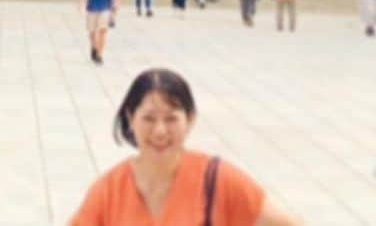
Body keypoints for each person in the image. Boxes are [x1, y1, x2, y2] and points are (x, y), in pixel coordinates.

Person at [68, 67, 301, 225]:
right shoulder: (109, 191)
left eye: (171, 119)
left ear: (190, 119)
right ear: (131, 119)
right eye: (149, 119)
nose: (160, 131)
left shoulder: (218, 179)